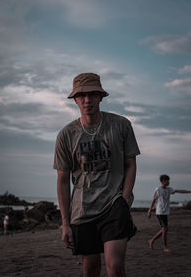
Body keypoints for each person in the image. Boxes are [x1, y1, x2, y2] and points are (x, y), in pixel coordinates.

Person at [54, 73, 140, 277]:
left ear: (101, 97)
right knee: (90, 269)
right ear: (75, 99)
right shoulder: (66, 135)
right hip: (82, 210)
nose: (87, 100)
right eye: (82, 95)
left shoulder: (121, 125)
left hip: (114, 204)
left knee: (115, 267)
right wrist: (65, 224)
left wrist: (125, 199)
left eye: (93, 94)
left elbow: (130, 163)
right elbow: (63, 180)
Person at [147, 174, 191, 252]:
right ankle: (165, 247)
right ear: (163, 181)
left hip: (165, 212)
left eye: (168, 180)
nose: (168, 182)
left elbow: (179, 191)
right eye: (167, 180)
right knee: (164, 229)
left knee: (165, 229)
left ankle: (152, 240)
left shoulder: (169, 189)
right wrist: (149, 211)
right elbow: (154, 200)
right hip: (160, 212)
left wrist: (189, 191)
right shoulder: (158, 189)